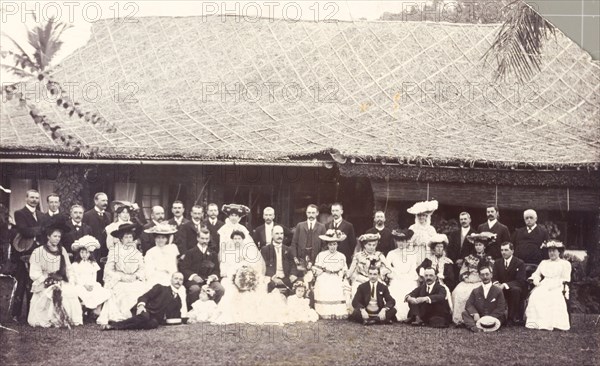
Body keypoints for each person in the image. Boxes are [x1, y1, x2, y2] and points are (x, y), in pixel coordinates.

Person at [212, 230, 288, 325]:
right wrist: (235, 276)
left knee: (258, 288)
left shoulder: (249, 252)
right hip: (231, 279)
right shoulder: (227, 253)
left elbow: (254, 268)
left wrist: (248, 277)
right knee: (231, 291)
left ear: (243, 240)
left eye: (239, 238)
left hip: (248, 278)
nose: (237, 241)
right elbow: (224, 270)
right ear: (232, 240)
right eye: (235, 239)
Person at [28, 218, 83, 327]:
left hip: (60, 279)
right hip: (45, 281)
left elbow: (68, 267)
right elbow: (34, 272)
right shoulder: (38, 251)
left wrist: (70, 279)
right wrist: (47, 279)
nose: (57, 239)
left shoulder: (62, 250)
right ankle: (52, 319)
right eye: (54, 236)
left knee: (68, 291)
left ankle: (67, 318)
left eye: (59, 236)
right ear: (48, 236)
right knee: (51, 292)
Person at [97, 223, 147, 325]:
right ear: (121, 239)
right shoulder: (115, 251)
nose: (129, 239)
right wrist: (121, 277)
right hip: (119, 279)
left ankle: (139, 314)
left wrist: (135, 276)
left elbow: (142, 269)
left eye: (130, 237)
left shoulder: (137, 253)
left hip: (134, 279)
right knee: (124, 290)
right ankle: (126, 315)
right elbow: (108, 270)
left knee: (143, 289)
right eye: (126, 237)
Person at [102, 272, 188, 330]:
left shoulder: (178, 299)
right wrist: (141, 306)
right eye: (176, 278)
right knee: (144, 317)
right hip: (144, 309)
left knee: (153, 324)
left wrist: (186, 320)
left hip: (154, 318)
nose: (178, 281)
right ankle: (113, 326)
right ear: (171, 280)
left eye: (181, 280)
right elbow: (144, 296)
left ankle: (119, 324)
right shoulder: (160, 288)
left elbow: (176, 317)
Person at [11, 189, 43, 322]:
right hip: (24, 251)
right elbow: (24, 231)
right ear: (26, 198)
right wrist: (41, 229)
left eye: (36, 198)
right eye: (32, 198)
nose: (34, 200)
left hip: (38, 252)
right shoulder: (19, 213)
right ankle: (16, 314)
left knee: (35, 282)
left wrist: (38, 231)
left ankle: (32, 312)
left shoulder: (41, 215)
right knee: (22, 283)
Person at [525, 240, 571, 331]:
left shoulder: (565, 264)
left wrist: (556, 285)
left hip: (559, 285)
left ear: (559, 252)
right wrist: (536, 279)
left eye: (554, 251)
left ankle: (553, 323)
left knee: (553, 296)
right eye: (549, 251)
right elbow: (536, 274)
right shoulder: (544, 262)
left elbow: (566, 278)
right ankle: (537, 322)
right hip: (544, 284)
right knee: (535, 295)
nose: (551, 253)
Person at [451, 233, 495, 324]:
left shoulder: (488, 259)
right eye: (476, 245)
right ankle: (460, 319)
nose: (478, 247)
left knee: (474, 294)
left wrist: (481, 278)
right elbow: (463, 270)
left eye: (480, 245)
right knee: (458, 292)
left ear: (484, 246)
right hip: (469, 280)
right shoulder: (469, 258)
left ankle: (475, 317)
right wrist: (466, 278)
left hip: (481, 280)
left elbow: (490, 272)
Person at [180, 227, 225, 305]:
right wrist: (194, 276)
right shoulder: (190, 252)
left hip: (209, 281)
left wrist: (213, 276)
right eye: (202, 238)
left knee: (220, 289)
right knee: (195, 289)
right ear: (198, 238)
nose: (204, 241)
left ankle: (211, 308)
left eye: (207, 239)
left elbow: (216, 269)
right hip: (194, 281)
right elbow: (184, 268)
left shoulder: (213, 253)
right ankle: (194, 309)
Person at [71, 236, 110, 322]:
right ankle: (83, 311)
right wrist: (84, 285)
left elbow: (94, 276)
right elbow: (76, 277)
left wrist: (91, 284)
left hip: (91, 284)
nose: (84, 255)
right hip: (80, 284)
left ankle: (95, 312)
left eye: (86, 253)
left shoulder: (93, 264)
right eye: (82, 252)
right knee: (81, 292)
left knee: (102, 292)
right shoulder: (75, 264)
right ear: (79, 253)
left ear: (90, 254)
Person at [312, 230, 349, 319]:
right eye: (330, 245)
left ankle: (337, 312)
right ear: (327, 245)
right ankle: (325, 312)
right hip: (325, 275)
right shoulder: (321, 255)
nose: (333, 247)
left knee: (339, 285)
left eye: (334, 244)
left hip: (337, 276)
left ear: (337, 245)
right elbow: (317, 268)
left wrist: (342, 274)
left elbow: (344, 269)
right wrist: (317, 272)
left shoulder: (341, 256)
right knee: (323, 284)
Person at [492, 242, 527, 326]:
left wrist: (505, 285)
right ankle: (496, 316)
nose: (503, 252)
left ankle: (511, 318)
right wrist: (496, 283)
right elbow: (494, 277)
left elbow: (520, 280)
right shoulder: (497, 262)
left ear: (512, 251)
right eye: (502, 250)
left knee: (516, 290)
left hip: (514, 289)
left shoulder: (519, 263)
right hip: (499, 288)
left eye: (506, 250)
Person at [386, 229, 418, 322]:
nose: (401, 243)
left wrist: (407, 277)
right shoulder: (391, 253)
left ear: (407, 242)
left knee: (410, 289)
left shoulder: (412, 254)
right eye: (399, 241)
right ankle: (395, 314)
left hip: (409, 278)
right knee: (394, 289)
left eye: (403, 241)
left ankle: (410, 314)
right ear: (396, 241)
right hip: (396, 278)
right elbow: (387, 267)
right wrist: (394, 273)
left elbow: (413, 269)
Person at [462, 266, 506, 333]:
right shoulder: (475, 291)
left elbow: (501, 307)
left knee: (502, 316)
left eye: (487, 274)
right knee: (465, 313)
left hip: (493, 316)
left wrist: (489, 318)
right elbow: (469, 304)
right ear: (479, 276)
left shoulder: (498, 290)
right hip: (480, 316)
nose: (485, 277)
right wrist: (475, 313)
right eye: (482, 275)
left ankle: (487, 326)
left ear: (491, 275)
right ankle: (475, 328)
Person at [347, 233, 391, 299]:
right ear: (364, 245)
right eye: (369, 245)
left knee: (384, 292)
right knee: (356, 292)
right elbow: (351, 271)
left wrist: (382, 273)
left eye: (374, 245)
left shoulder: (379, 255)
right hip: (361, 280)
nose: (371, 247)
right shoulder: (358, 256)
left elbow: (388, 268)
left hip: (376, 279)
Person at [261, 225, 298, 294]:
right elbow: (264, 266)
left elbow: (293, 264)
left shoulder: (288, 249)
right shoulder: (265, 249)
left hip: (286, 278)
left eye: (281, 233)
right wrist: (273, 277)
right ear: (272, 235)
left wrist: (293, 274)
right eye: (277, 233)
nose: (280, 236)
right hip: (272, 279)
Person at [291, 204, 326, 275]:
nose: (311, 215)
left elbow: (324, 246)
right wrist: (295, 257)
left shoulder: (322, 227)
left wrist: (318, 259)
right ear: (306, 213)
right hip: (301, 259)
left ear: (317, 213)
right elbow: (294, 243)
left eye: (313, 213)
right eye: (309, 213)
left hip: (316, 259)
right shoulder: (300, 226)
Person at [144, 223, 180, 287]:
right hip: (156, 277)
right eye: (158, 238)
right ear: (155, 239)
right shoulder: (150, 252)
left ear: (166, 239)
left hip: (170, 276)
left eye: (163, 238)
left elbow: (174, 266)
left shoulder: (172, 248)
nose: (160, 240)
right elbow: (149, 269)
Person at [407, 200, 439, 265]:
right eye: (419, 215)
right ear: (416, 216)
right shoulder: (412, 228)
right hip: (415, 252)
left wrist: (427, 243)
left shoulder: (431, 229)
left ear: (426, 216)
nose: (421, 217)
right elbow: (407, 242)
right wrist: (413, 242)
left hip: (427, 252)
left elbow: (435, 243)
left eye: (423, 215)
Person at [82, 192, 112, 260]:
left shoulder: (109, 215)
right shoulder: (87, 215)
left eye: (106, 200)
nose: (105, 203)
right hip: (93, 250)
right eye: (103, 200)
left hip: (105, 250)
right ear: (96, 201)